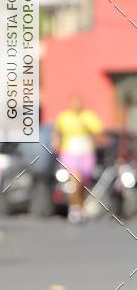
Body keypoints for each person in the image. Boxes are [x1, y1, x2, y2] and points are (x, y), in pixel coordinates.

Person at [53, 95, 104, 223]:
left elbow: (98, 133)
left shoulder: (88, 117)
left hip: (86, 154)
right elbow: (57, 132)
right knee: (75, 180)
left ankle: (81, 208)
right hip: (70, 154)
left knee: (82, 184)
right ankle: (74, 209)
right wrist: (55, 143)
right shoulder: (64, 117)